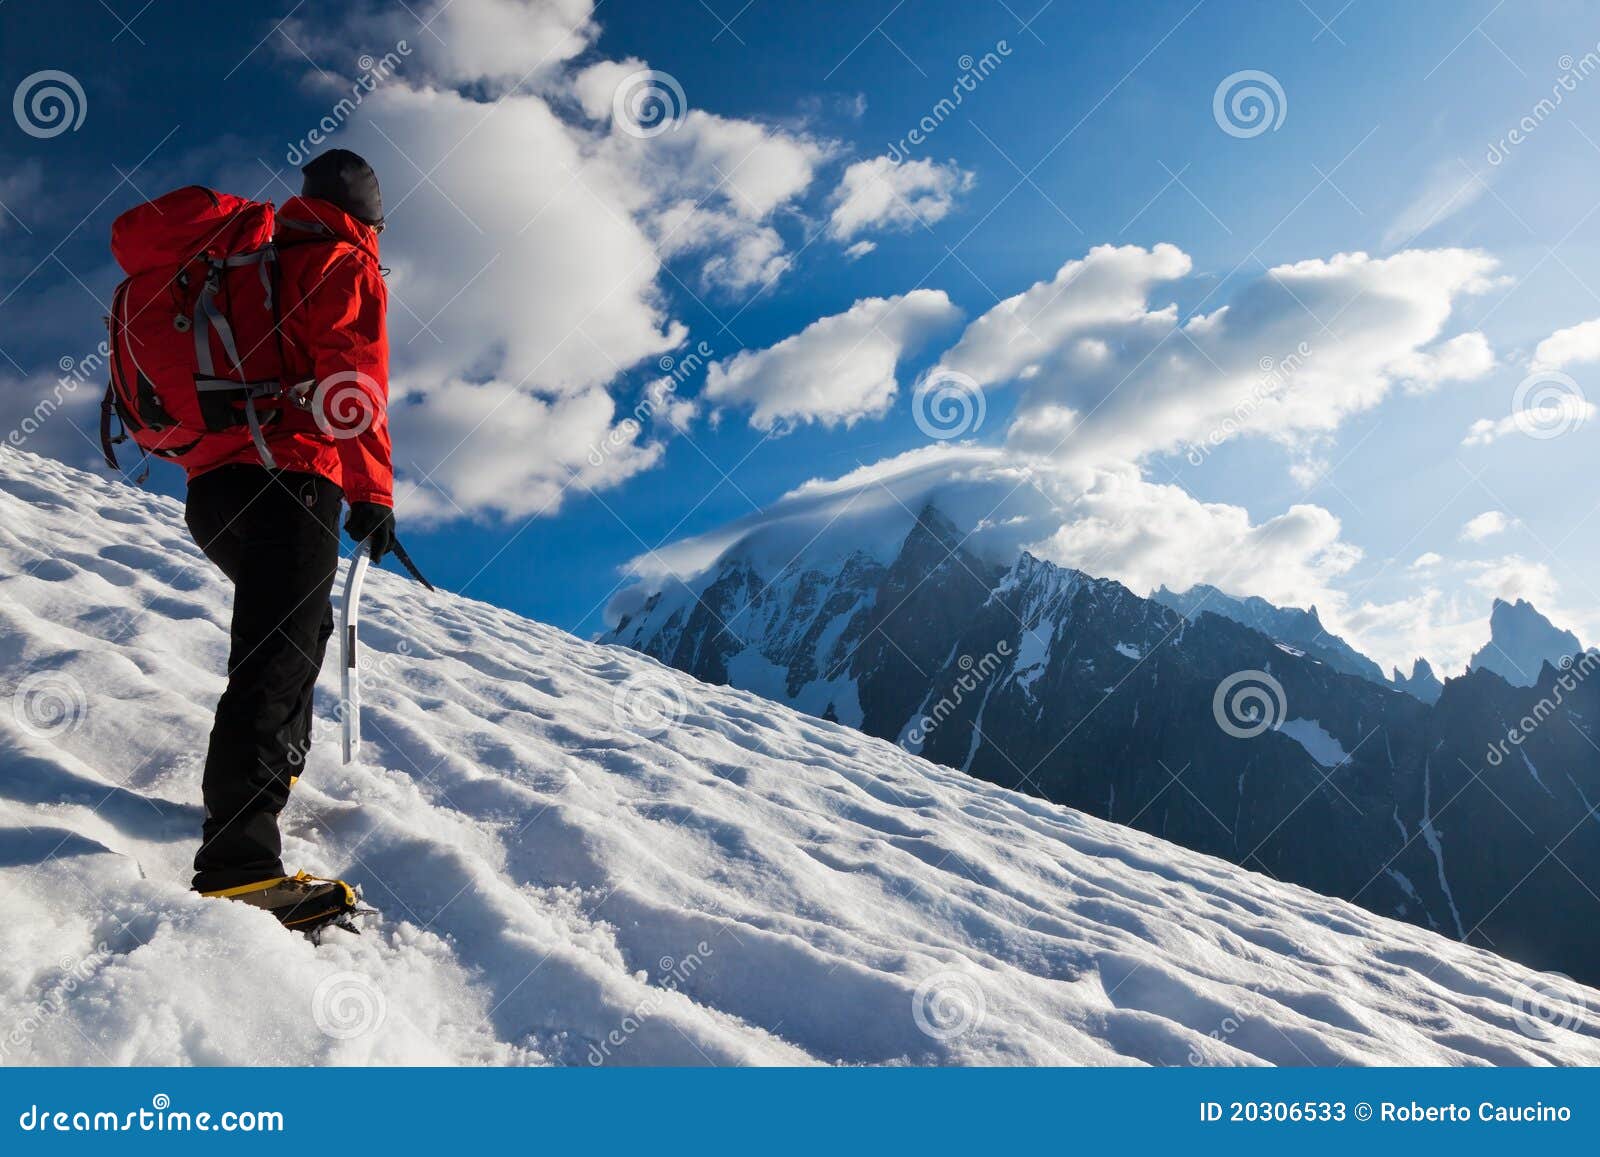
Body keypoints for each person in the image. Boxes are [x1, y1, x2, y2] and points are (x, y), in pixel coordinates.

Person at [184, 149, 398, 930]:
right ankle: (239, 867)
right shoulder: (346, 264)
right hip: (292, 480)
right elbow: (353, 384)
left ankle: (267, 776)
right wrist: (373, 494)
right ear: (370, 215)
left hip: (212, 491)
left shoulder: (251, 257)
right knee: (274, 662)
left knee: (297, 635)